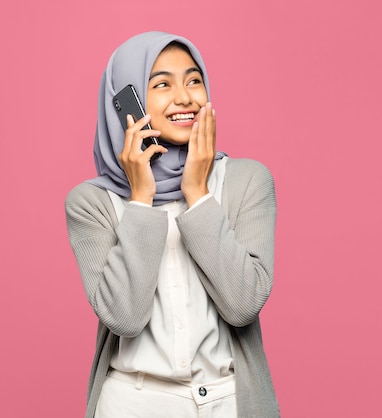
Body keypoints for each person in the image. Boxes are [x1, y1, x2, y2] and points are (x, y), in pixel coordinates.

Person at [65, 31, 279, 418]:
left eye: (194, 80)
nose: (185, 97)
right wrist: (141, 199)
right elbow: (124, 317)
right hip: (131, 403)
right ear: (125, 100)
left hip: (230, 401)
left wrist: (197, 192)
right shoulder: (91, 203)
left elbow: (244, 304)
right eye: (162, 84)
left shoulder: (247, 180)